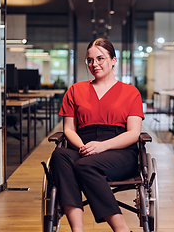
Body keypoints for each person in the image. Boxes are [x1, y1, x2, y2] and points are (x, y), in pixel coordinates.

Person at [50, 38, 145, 232]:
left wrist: (102, 146)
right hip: (83, 145)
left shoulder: (131, 92)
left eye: (100, 58)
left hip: (120, 150)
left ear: (113, 60)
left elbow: (134, 133)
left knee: (85, 164)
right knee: (60, 156)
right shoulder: (75, 90)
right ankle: (78, 229)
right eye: (90, 60)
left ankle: (121, 229)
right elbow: (69, 129)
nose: (94, 64)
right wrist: (83, 147)